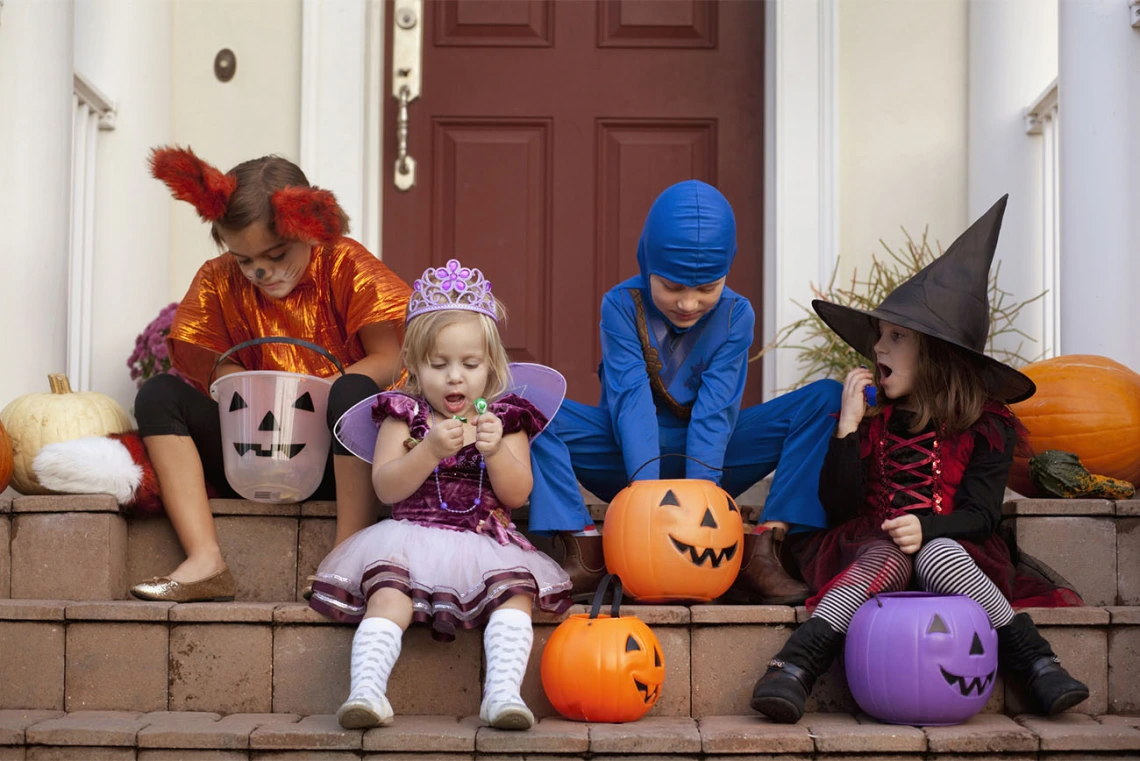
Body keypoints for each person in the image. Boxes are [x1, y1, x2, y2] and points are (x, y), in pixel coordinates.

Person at [750, 196, 1087, 724]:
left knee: (937, 554)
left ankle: (1036, 660)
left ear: (937, 354)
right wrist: (846, 429)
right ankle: (794, 664)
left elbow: (982, 513)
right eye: (879, 336)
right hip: (870, 550)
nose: (878, 348)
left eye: (896, 337)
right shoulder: (874, 420)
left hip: (955, 551)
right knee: (888, 551)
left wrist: (929, 529)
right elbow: (837, 505)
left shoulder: (986, 425)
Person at [528, 179, 842, 602]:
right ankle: (583, 548)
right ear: (647, 264)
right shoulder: (621, 306)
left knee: (824, 399)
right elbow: (631, 400)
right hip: (623, 458)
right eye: (673, 287)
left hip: (713, 463)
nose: (689, 304)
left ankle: (763, 550)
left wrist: (700, 508)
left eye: (706, 289)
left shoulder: (736, 314)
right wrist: (645, 503)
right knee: (528, 403)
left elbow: (717, 413)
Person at [126, 145, 410, 602]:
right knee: (159, 395)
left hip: (340, 458)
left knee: (354, 391)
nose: (261, 271)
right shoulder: (219, 279)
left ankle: (346, 555)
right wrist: (249, 388)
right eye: (244, 260)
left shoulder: (344, 263)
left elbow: (391, 356)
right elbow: (217, 370)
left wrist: (319, 394)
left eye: (277, 254)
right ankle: (205, 560)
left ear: (311, 230)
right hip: (256, 452)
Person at [308, 258, 573, 731]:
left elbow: (518, 492)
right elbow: (386, 486)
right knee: (388, 596)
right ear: (413, 365)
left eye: (469, 365)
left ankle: (502, 695)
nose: (455, 377)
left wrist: (495, 452)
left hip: (482, 543)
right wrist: (426, 450)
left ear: (491, 368)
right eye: (439, 364)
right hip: (409, 535)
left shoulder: (504, 420)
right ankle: (367, 691)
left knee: (514, 598)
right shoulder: (405, 416)